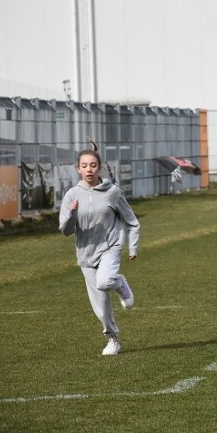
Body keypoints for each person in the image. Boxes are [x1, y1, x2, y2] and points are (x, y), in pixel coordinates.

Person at [59, 148, 140, 356]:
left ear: (99, 167)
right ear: (78, 169)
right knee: (101, 306)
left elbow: (131, 221)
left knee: (105, 282)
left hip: (110, 247)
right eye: (84, 166)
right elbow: (65, 231)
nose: (89, 169)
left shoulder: (113, 192)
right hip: (86, 254)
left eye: (93, 165)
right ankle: (113, 339)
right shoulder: (71, 195)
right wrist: (72, 214)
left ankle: (119, 283)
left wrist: (133, 247)